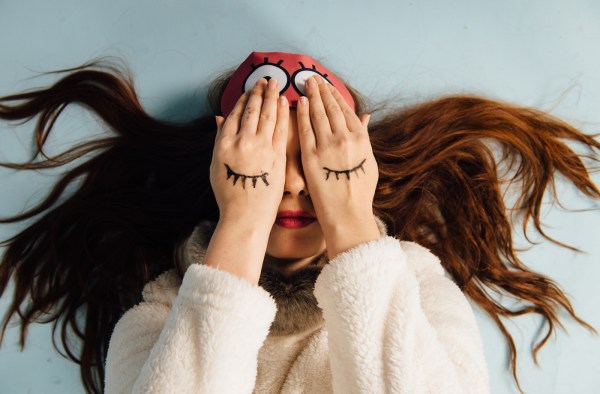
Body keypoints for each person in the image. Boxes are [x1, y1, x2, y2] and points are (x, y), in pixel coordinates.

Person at [0, 51, 597, 394]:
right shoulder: (158, 320)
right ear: (217, 166)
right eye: (264, 156)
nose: (290, 182)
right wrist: (242, 220)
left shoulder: (417, 292)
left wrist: (349, 216)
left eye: (316, 155)